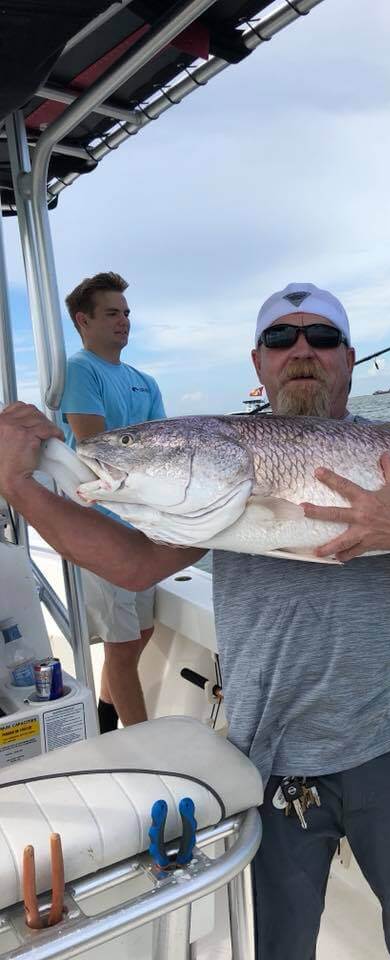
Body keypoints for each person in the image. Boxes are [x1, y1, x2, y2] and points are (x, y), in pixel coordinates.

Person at [0, 282, 390, 960]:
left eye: (321, 337)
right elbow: (129, 564)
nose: (301, 350)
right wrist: (20, 487)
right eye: (281, 338)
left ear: (349, 357)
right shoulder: (223, 465)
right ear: (258, 362)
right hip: (265, 753)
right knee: (279, 942)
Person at [61, 271, 166, 732]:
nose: (124, 321)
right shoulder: (80, 371)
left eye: (126, 313)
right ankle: (147, 750)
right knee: (122, 647)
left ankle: (104, 721)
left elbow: (166, 449)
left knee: (143, 632)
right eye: (112, 313)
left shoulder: (145, 380)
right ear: (83, 321)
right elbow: (96, 448)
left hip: (143, 527)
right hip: (99, 527)